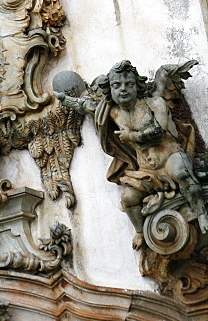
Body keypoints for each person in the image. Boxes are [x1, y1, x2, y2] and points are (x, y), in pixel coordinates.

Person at [59, 60, 208, 248]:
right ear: (110, 90)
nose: (123, 89)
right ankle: (139, 231)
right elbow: (87, 106)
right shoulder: (112, 111)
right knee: (128, 199)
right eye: (116, 85)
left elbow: (159, 130)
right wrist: (67, 101)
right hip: (147, 168)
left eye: (128, 84)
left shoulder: (155, 102)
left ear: (137, 86)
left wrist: (132, 135)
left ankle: (201, 213)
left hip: (170, 156)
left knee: (182, 173)